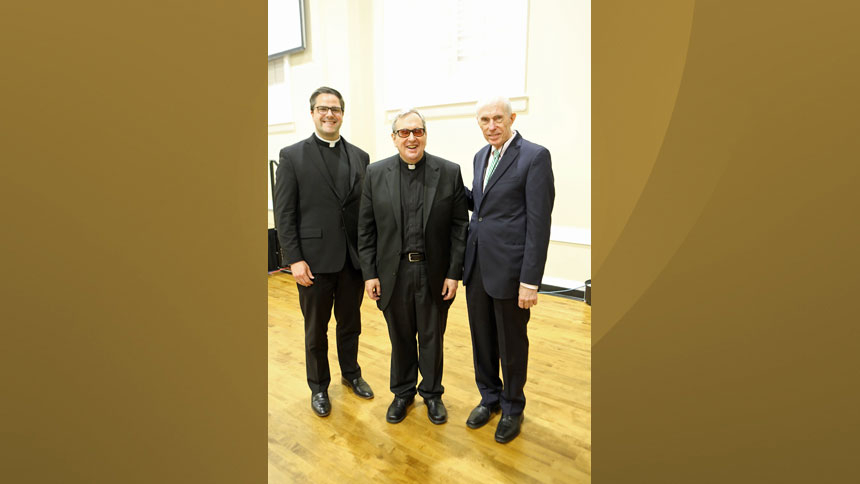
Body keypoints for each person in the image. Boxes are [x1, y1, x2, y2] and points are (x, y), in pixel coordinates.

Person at [357, 109, 468, 425]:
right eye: (404, 132)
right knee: (401, 337)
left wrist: (454, 273)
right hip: (393, 274)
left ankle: (432, 394)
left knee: (433, 338)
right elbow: (366, 229)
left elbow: (460, 226)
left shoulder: (447, 172)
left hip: (434, 274)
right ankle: (403, 393)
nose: (411, 138)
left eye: (417, 131)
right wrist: (369, 274)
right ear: (393, 138)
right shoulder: (376, 174)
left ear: (425, 135)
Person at [273, 86, 374, 417]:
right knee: (315, 329)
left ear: (342, 114)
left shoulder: (360, 157)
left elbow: (363, 212)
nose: (330, 114)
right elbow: (284, 213)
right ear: (312, 113)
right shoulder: (292, 156)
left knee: (350, 324)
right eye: (323, 109)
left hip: (351, 261)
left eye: (335, 109)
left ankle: (351, 374)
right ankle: (318, 386)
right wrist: (294, 259)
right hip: (313, 262)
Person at [463, 96, 555, 443]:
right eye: (484, 120)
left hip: (512, 273)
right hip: (477, 269)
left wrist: (530, 281)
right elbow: (481, 205)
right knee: (482, 340)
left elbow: (538, 224)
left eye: (497, 118)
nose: (491, 126)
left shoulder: (534, 156)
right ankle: (489, 397)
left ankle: (513, 406)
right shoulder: (479, 156)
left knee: (512, 344)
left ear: (512, 117)